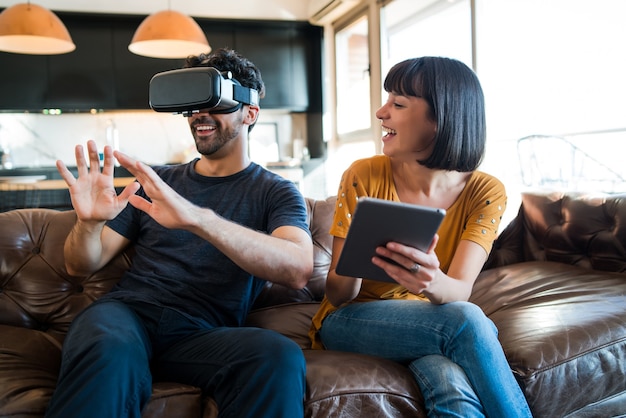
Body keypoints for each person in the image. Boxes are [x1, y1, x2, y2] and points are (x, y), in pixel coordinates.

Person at [45, 48, 313, 418]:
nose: (200, 114)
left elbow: (298, 267)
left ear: (250, 112)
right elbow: (79, 266)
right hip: (127, 316)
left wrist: (197, 218)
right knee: (107, 347)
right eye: (192, 104)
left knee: (278, 354)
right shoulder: (159, 181)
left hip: (202, 335)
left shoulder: (276, 192)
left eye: (214, 101)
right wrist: (88, 224)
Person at [309, 56, 533, 417]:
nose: (382, 112)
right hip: (351, 319)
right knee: (469, 321)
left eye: (398, 104)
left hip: (428, 321)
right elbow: (337, 294)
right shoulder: (363, 174)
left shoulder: (485, 190)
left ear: (440, 119)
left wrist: (430, 279)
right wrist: (357, 257)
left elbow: (458, 290)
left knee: (450, 384)